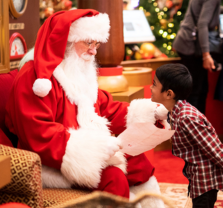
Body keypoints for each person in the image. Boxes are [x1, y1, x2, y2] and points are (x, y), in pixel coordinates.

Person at [5, 9, 166, 208]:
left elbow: (106, 108)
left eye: (96, 43)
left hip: (87, 147)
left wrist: (149, 113)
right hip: (51, 161)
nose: (94, 51)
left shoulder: (76, 69)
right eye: (88, 42)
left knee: (138, 162)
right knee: (113, 176)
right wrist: (95, 150)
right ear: (66, 41)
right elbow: (39, 134)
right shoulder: (35, 79)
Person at [150, 63, 223, 208]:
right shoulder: (176, 111)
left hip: (205, 180)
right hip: (196, 176)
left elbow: (215, 150)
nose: (151, 88)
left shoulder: (187, 118)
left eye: (154, 84)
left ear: (169, 94)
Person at [173, 0, 221, 115]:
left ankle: (196, 127)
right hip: (192, 47)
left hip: (187, 43)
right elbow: (202, 24)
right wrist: (206, 55)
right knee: (195, 92)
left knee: (200, 90)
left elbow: (201, 11)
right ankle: (194, 129)